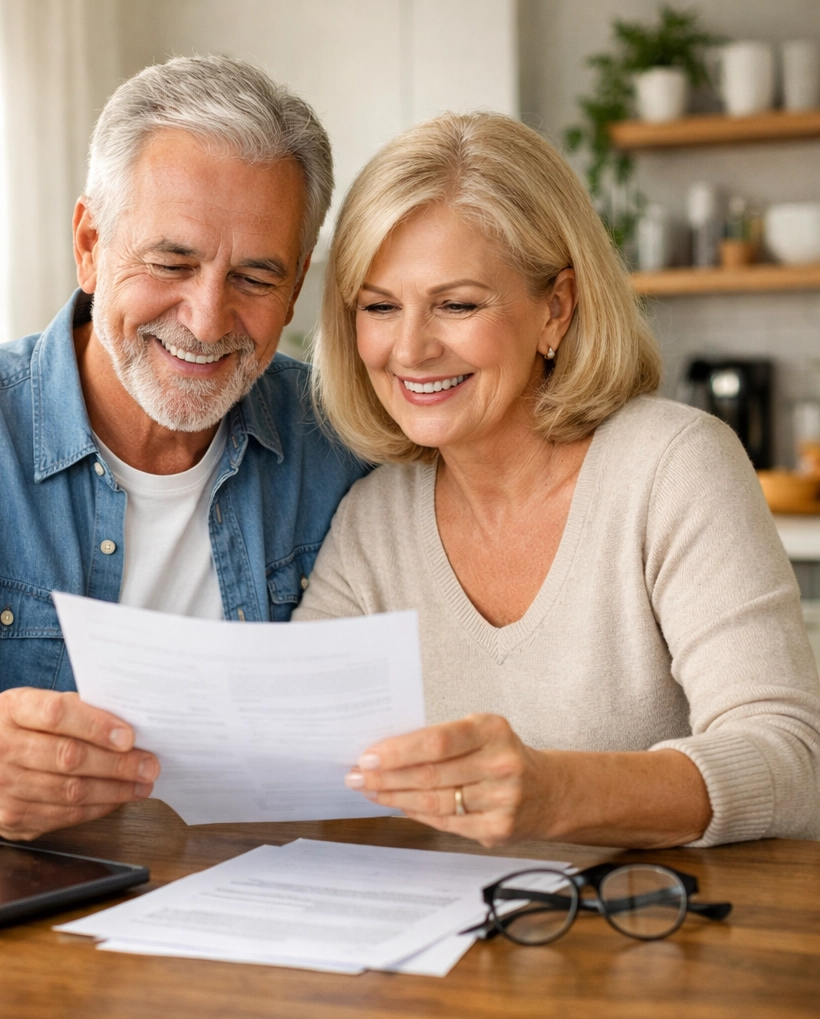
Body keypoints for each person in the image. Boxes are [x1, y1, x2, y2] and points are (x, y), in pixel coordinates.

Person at [0, 56, 366, 841]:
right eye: (172, 262)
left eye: (255, 278)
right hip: (20, 924)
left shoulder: (345, 442)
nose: (206, 321)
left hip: (269, 906)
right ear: (91, 244)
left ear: (298, 283)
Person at [295, 111, 820, 848]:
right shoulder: (372, 520)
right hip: (450, 945)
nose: (408, 348)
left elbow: (793, 763)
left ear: (557, 308)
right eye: (379, 307)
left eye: (457, 304)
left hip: (656, 940)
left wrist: (557, 791)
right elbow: (294, 750)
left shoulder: (673, 468)